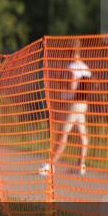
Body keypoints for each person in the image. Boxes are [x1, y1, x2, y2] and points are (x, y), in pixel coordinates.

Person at [40, 44, 93, 177]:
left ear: (71, 53)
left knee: (63, 134)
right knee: (82, 135)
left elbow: (71, 85)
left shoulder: (71, 68)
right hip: (83, 104)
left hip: (71, 103)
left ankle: (51, 165)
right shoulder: (86, 68)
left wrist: (60, 81)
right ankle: (80, 165)